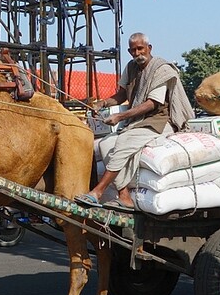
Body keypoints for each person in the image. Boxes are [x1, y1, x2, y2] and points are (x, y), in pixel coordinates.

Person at [76, 32, 194, 210]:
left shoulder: (161, 69)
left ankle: (98, 192)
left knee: (123, 141)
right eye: (133, 50)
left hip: (158, 122)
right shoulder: (131, 67)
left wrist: (119, 117)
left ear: (149, 48)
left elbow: (151, 104)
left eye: (140, 49)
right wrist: (103, 102)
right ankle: (124, 196)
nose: (137, 53)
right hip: (137, 122)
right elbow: (122, 95)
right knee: (105, 144)